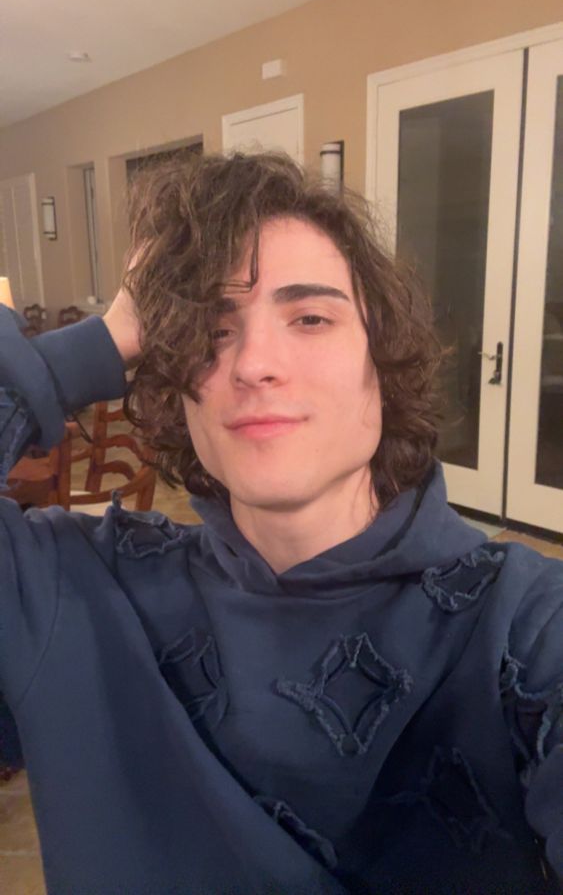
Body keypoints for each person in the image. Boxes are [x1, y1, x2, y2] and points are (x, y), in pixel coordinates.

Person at [0, 152, 561, 895]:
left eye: (311, 318)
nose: (254, 363)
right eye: (210, 330)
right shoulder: (71, 589)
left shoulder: (526, 627)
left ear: (384, 366)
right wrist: (105, 337)